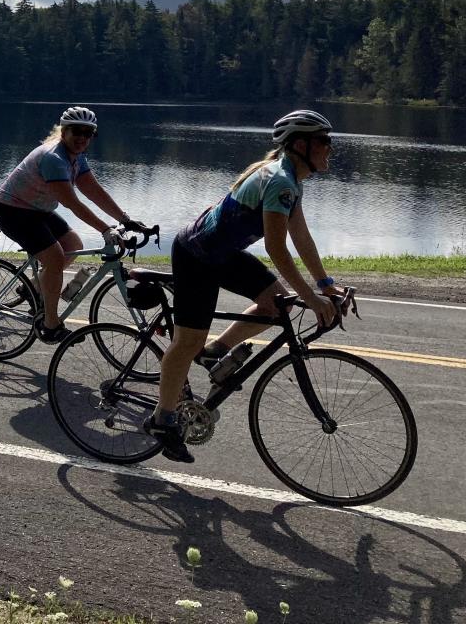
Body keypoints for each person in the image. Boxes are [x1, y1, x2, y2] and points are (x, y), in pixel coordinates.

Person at [145, 109, 345, 463]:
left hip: (222, 255)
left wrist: (325, 284)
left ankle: (214, 351)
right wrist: (313, 298)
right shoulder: (281, 180)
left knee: (276, 304)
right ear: (301, 145)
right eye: (324, 141)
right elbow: (277, 248)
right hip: (196, 256)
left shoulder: (291, 180)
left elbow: (301, 237)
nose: (330, 148)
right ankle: (163, 418)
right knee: (186, 340)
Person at [0, 106, 142, 342]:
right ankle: (50, 324)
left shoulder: (76, 156)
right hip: (12, 210)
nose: (82, 137)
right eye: (76, 131)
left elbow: (92, 189)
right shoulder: (54, 158)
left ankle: (32, 288)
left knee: (73, 243)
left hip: (37, 209)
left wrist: (125, 219)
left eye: (88, 133)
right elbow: (73, 203)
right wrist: (104, 229)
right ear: (64, 132)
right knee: (55, 259)